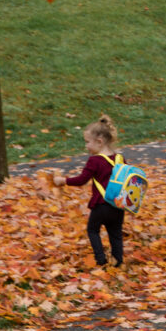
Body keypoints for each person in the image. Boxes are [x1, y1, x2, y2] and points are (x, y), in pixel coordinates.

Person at [53, 114, 124, 267]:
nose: (86, 146)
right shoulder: (120, 158)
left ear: (99, 141)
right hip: (118, 204)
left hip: (101, 205)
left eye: (87, 142)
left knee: (93, 230)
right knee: (116, 234)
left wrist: (63, 181)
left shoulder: (94, 161)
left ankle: (101, 260)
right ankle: (118, 261)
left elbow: (81, 180)